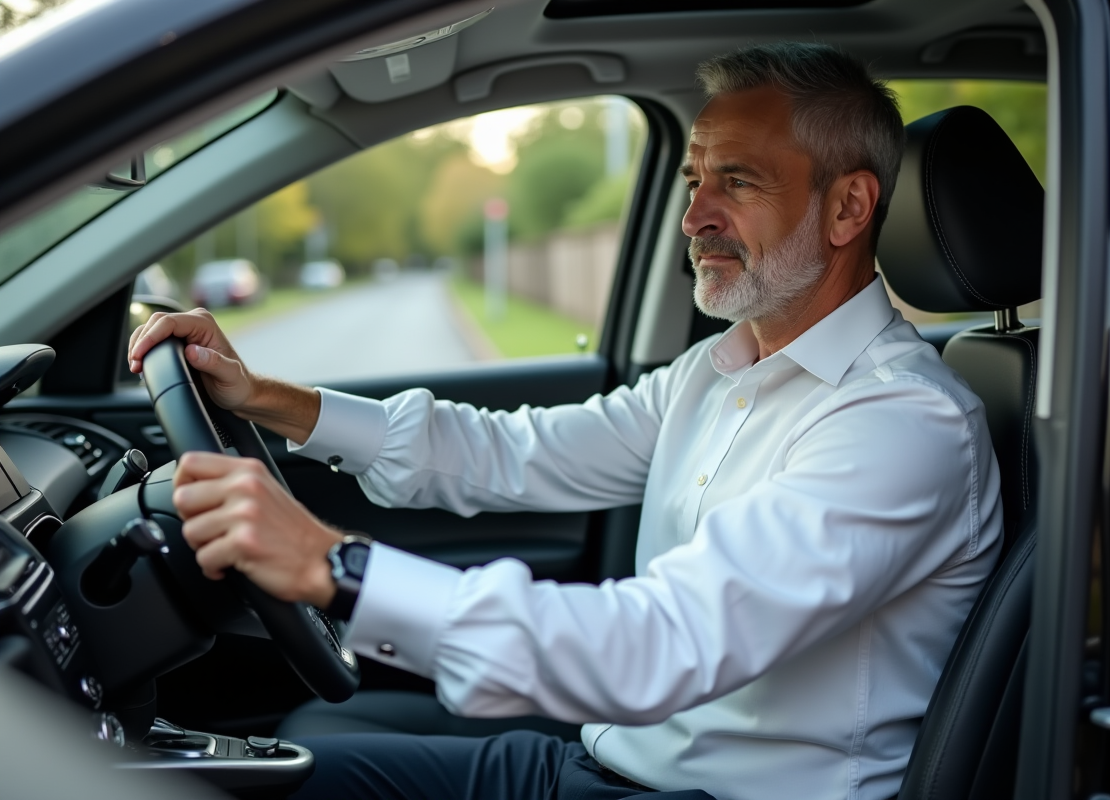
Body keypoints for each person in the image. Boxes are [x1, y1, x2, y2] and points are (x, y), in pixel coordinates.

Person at [128, 42, 1002, 800]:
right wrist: (263, 397)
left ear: (849, 209)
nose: (693, 215)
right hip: (601, 766)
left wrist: (335, 567)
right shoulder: (720, 367)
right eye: (695, 179)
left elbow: (663, 641)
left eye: (736, 181)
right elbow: (513, 454)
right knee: (276, 781)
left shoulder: (903, 424)